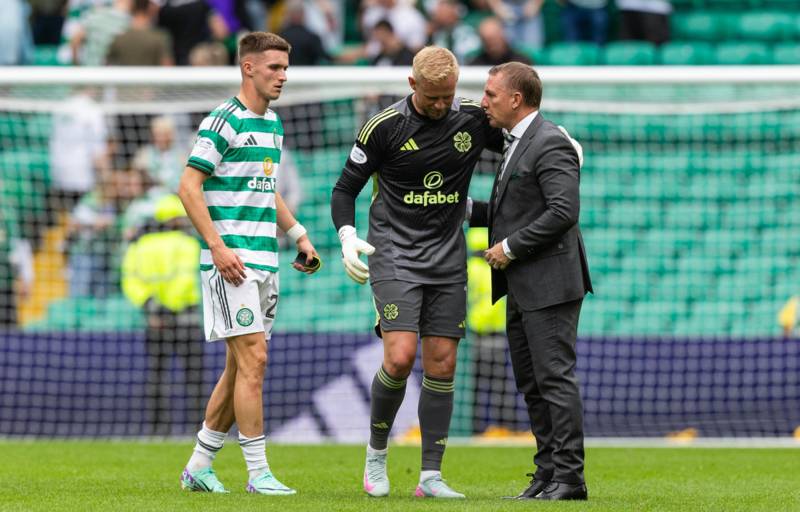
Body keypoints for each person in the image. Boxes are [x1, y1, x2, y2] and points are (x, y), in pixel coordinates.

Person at [331, 46, 505, 499]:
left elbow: (519, 145)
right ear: (413, 85)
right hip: (394, 253)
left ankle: (430, 476)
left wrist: (557, 144)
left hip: (447, 256)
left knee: (443, 362)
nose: (442, 105)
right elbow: (344, 189)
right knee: (400, 357)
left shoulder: (472, 118)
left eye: (448, 95)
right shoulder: (384, 127)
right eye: (432, 97)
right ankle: (376, 454)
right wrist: (347, 236)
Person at [177, 32, 320, 495]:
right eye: (274, 67)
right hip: (231, 263)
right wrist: (217, 247)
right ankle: (258, 473)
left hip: (265, 260)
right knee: (255, 359)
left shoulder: (273, 124)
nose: (282, 76)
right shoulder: (223, 120)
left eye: (285, 68)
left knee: (240, 367)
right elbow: (188, 187)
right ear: (249, 67)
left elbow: (266, 189)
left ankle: (199, 466)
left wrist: (298, 234)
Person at [471, 62, 592, 500]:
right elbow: (519, 209)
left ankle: (571, 478)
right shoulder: (517, 142)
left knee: (554, 378)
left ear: (516, 99)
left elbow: (563, 211)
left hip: (551, 282)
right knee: (533, 382)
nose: (484, 102)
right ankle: (547, 473)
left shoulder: (549, 141)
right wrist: (464, 209)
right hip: (525, 284)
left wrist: (509, 247)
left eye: (490, 94)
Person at [121, 194, 204, 435]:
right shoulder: (188, 244)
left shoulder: (139, 246)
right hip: (185, 318)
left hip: (154, 319)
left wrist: (152, 307)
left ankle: (158, 430)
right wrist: (172, 307)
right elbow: (186, 279)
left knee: (157, 376)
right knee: (195, 378)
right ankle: (201, 429)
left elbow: (130, 281)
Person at [106, 0, 173, 66]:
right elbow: (166, 65)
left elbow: (107, 63)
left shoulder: (118, 37)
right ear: (151, 8)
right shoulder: (159, 37)